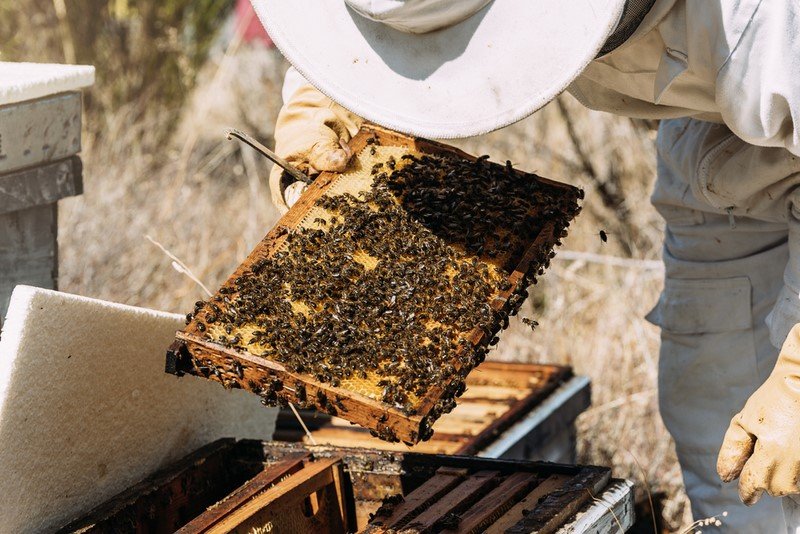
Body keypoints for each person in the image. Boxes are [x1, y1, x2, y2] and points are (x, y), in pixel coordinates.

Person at [251, 1, 800, 531]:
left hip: (760, 62)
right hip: (712, 130)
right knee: (715, 401)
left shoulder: (769, 27)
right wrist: (326, 92)